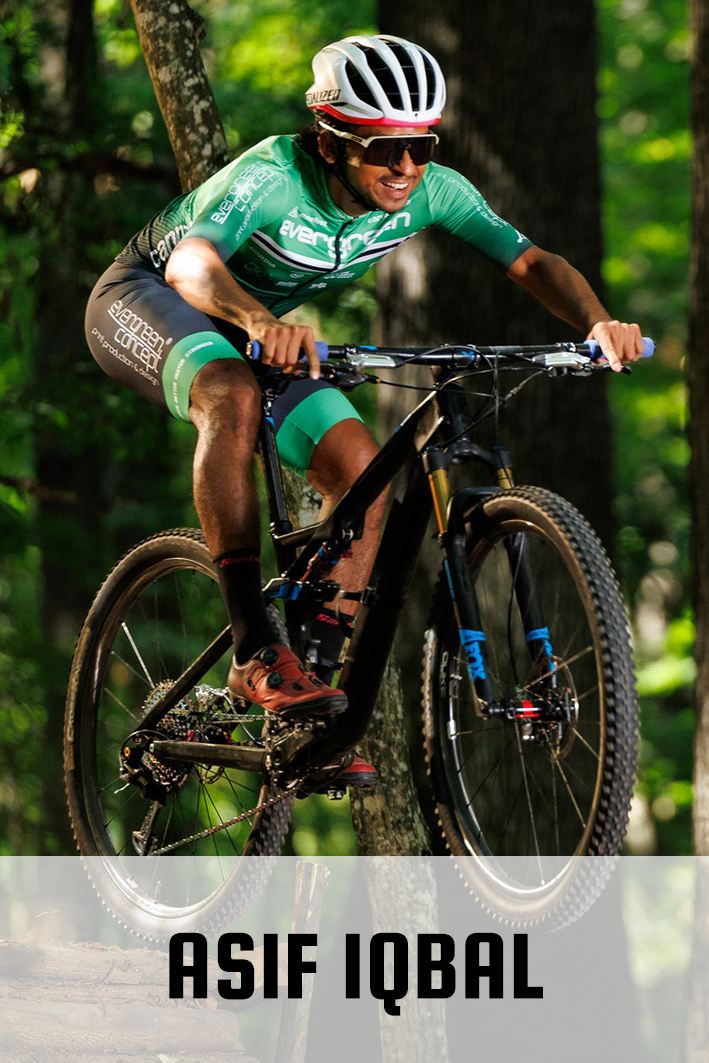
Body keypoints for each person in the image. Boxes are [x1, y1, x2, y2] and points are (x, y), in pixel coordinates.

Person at [85, 34, 643, 789]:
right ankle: (255, 647)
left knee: (363, 474)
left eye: (421, 146)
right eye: (384, 149)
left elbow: (532, 261)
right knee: (232, 393)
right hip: (147, 299)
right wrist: (257, 322)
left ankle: (307, 699)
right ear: (330, 142)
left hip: (254, 328)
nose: (406, 167)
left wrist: (598, 324)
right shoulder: (274, 175)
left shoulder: (434, 190)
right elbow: (192, 263)